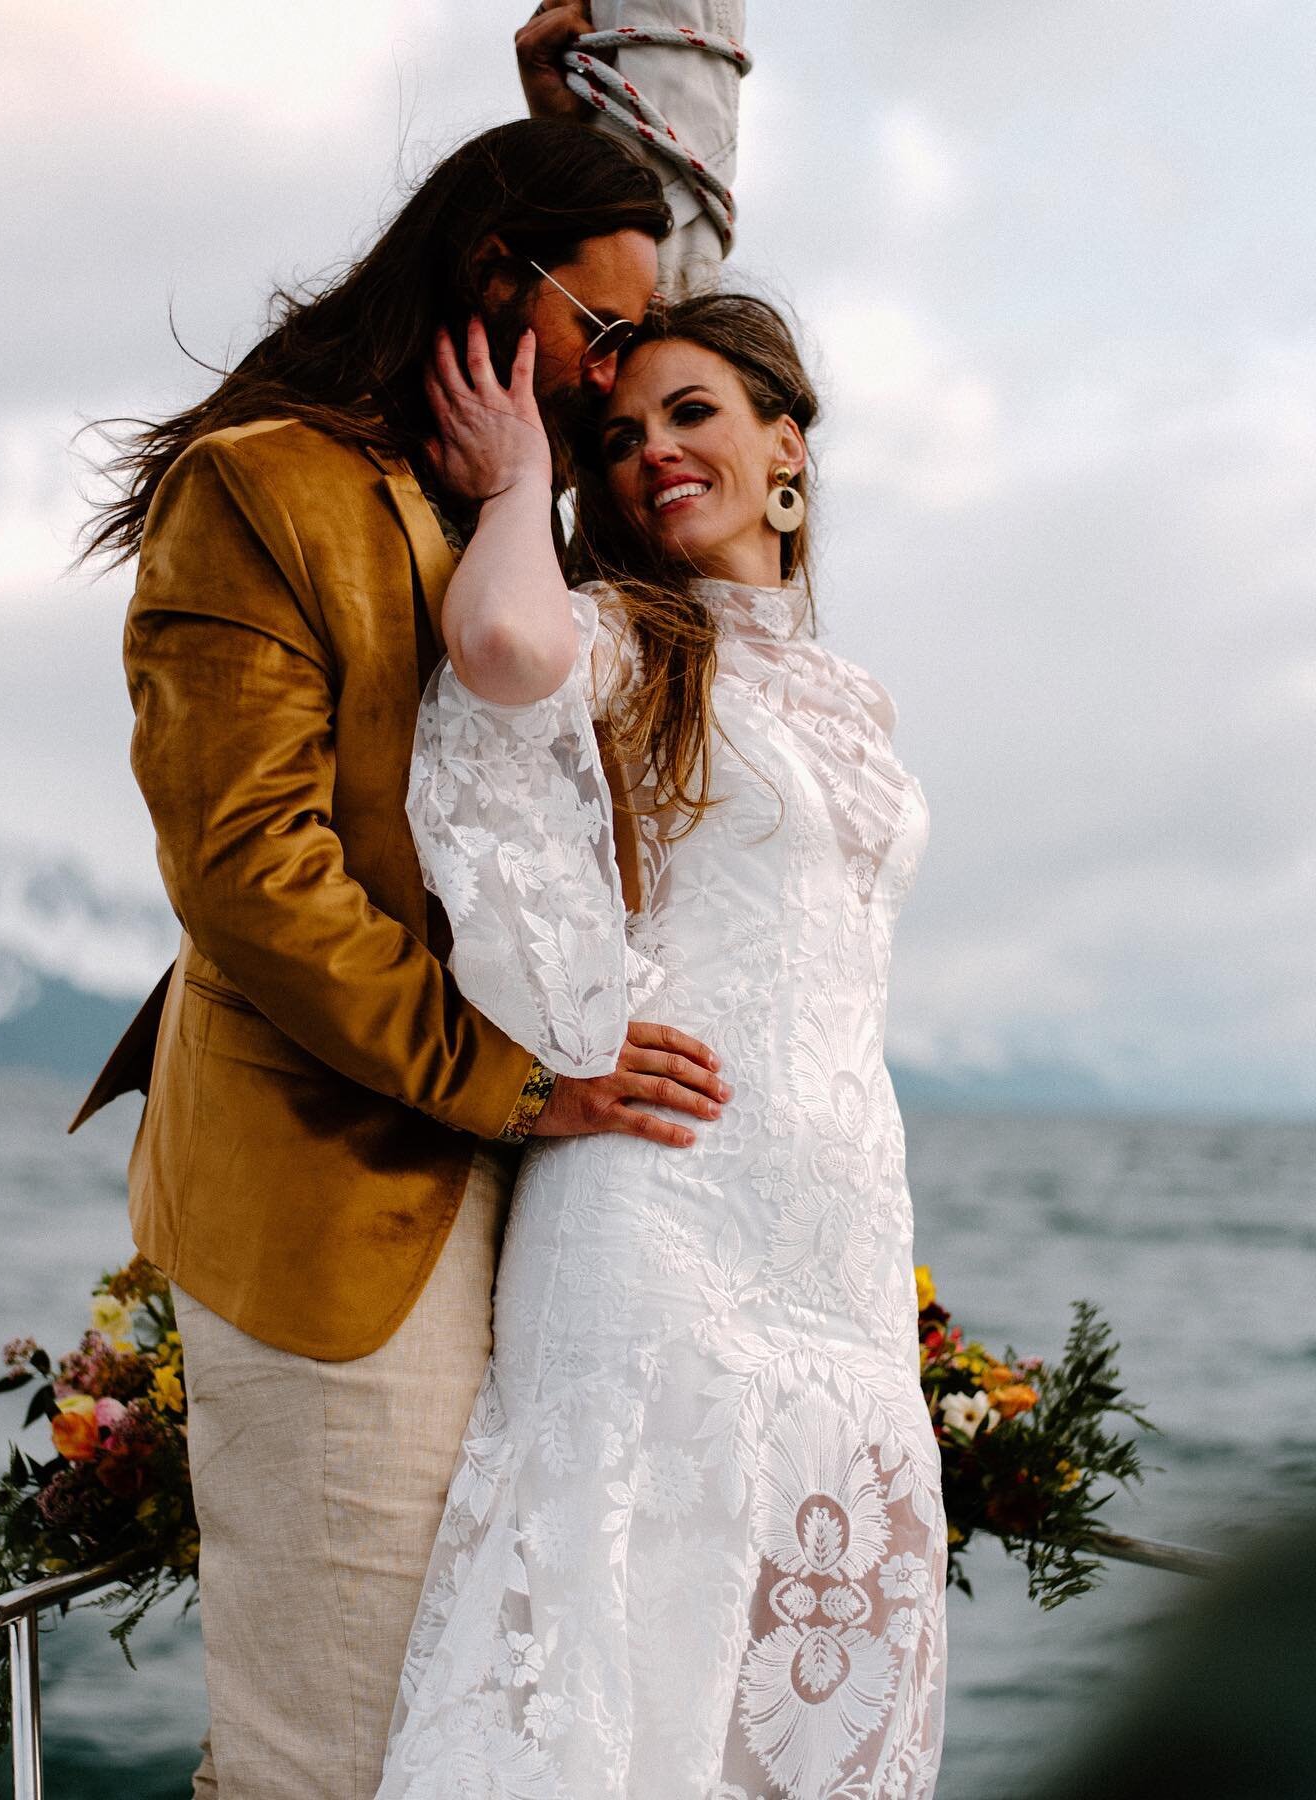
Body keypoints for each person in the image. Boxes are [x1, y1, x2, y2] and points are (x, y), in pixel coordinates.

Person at [71, 120, 735, 1800]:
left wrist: (575, 100)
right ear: (489, 284)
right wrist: (517, 1087)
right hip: (330, 1198)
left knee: (479, 1739)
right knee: (338, 1757)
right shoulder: (259, 491)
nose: (614, 383)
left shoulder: (520, 523)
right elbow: (252, 879)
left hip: (521, 1210)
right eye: (598, 338)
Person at [380, 294, 947, 1797]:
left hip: (836, 1256)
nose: (653, 453)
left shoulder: (853, 696)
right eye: (621, 437)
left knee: (797, 1692)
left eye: (693, 413)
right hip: (657, 1225)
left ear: (787, 449)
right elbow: (499, 644)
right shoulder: (627, 638)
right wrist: (518, 485)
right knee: (616, 1687)